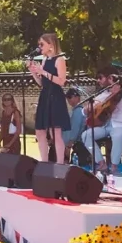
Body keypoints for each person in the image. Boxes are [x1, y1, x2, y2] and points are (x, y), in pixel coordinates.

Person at [29, 33, 71, 165]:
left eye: (42, 44)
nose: (39, 47)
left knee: (55, 133)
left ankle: (59, 163)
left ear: (51, 45)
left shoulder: (60, 59)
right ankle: (44, 163)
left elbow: (62, 81)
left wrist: (44, 72)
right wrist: (33, 72)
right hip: (45, 95)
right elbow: (42, 82)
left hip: (56, 97)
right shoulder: (45, 59)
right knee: (40, 131)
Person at [62, 89, 88, 164]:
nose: (68, 99)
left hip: (71, 141)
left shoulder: (78, 111)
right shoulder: (77, 110)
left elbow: (76, 127)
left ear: (77, 97)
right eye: (67, 97)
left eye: (70, 97)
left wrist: (70, 142)